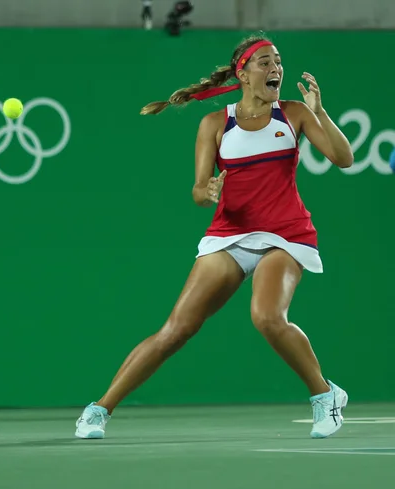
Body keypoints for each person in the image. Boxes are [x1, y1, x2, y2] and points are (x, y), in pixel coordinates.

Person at [74, 34, 354, 440]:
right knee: (176, 330)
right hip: (230, 235)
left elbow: (344, 158)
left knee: (267, 316)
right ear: (242, 73)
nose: (275, 68)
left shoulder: (293, 114)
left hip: (285, 234)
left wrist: (320, 112)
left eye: (277, 61)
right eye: (264, 62)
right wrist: (206, 193)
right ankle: (99, 409)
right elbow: (198, 189)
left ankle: (325, 395)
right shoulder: (213, 124)